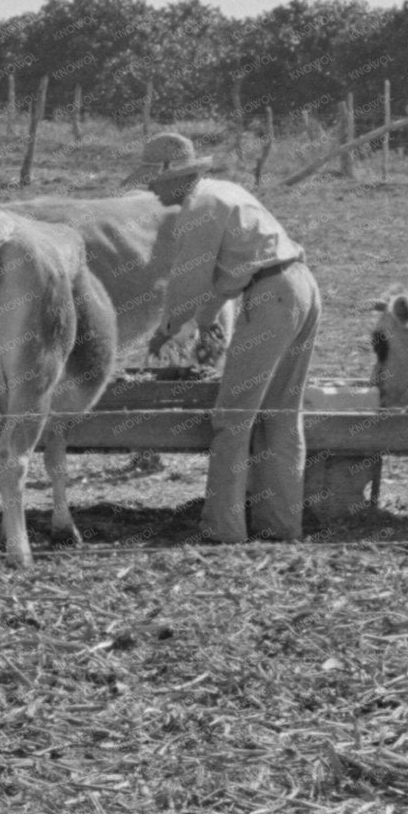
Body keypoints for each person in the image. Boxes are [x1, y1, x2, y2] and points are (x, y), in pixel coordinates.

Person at [127, 131, 321, 544]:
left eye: (152, 180)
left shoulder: (200, 207)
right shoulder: (223, 192)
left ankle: (224, 531)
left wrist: (165, 334)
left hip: (270, 299)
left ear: (171, 175)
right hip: (299, 286)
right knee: (281, 415)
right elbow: (229, 273)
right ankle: (281, 526)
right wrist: (208, 320)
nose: (149, 189)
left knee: (232, 419)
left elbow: (189, 279)